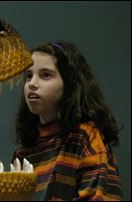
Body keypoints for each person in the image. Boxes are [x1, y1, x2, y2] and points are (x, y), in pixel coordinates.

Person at [13, 41, 123, 200]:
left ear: (70, 84)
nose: (32, 84)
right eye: (28, 76)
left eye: (46, 75)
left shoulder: (84, 138)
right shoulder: (23, 154)